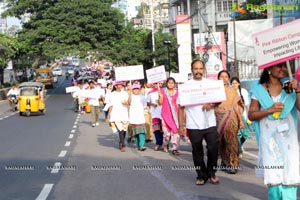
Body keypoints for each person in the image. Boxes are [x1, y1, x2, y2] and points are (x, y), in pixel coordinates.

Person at [248, 62, 300, 200]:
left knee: (290, 173)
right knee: (274, 177)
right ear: (269, 68)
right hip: (270, 141)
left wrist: (298, 90)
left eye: (285, 66)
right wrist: (269, 110)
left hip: (289, 140)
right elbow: (251, 115)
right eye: (279, 66)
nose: (283, 69)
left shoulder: (290, 87)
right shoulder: (259, 90)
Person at [178, 59, 219, 185]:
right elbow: (181, 107)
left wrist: (211, 105)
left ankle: (211, 173)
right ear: (192, 70)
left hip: (210, 123)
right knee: (197, 152)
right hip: (193, 125)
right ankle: (201, 175)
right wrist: (181, 126)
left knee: (213, 149)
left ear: (204, 70)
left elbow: (219, 100)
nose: (198, 71)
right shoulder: (185, 87)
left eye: (200, 69)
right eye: (196, 69)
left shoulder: (211, 84)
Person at [214, 70, 244, 174]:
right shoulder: (214, 91)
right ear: (218, 78)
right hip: (217, 118)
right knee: (221, 142)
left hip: (231, 117)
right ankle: (225, 161)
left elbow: (236, 106)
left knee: (232, 141)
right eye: (221, 76)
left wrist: (240, 120)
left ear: (228, 78)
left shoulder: (232, 91)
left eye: (226, 77)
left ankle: (234, 164)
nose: (223, 78)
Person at [230, 77, 252, 159]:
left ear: (239, 83)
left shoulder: (243, 91)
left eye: (236, 83)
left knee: (245, 134)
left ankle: (240, 145)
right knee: (237, 134)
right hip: (234, 116)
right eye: (232, 83)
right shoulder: (229, 92)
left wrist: (249, 115)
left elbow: (247, 104)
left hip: (244, 115)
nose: (234, 85)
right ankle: (239, 151)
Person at [158, 77, 180, 155]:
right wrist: (160, 96)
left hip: (175, 116)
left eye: (172, 83)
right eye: (169, 82)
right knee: (167, 134)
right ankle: (166, 144)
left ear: (174, 84)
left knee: (176, 133)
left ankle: (175, 149)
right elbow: (160, 103)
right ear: (166, 83)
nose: (170, 84)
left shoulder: (178, 92)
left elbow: (179, 104)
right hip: (165, 115)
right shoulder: (162, 91)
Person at [106, 81, 129, 152]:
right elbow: (110, 105)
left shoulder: (125, 93)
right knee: (120, 129)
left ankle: (121, 142)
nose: (121, 86)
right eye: (119, 85)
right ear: (116, 86)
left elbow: (128, 102)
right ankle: (123, 144)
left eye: (122, 85)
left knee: (124, 129)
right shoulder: (112, 94)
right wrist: (108, 116)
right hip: (115, 113)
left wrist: (130, 93)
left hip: (124, 113)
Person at [128, 83, 147, 151]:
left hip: (140, 117)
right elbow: (129, 103)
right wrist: (130, 94)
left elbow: (145, 106)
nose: (136, 90)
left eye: (137, 89)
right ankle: (138, 144)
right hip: (133, 117)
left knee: (141, 132)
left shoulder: (142, 97)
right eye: (134, 89)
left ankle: (142, 145)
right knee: (136, 132)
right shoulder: (131, 96)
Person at [147, 82, 163, 151]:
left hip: (163, 113)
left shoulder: (164, 91)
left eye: (158, 84)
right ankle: (158, 143)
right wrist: (152, 104)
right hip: (155, 113)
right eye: (155, 84)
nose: (157, 85)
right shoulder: (150, 93)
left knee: (163, 130)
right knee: (156, 129)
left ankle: (162, 144)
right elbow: (147, 102)